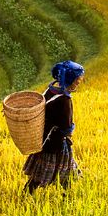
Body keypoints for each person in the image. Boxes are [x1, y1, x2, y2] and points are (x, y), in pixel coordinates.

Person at [24, 60, 85, 193]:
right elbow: (67, 126)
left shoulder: (50, 90)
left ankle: (65, 195)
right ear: (69, 80)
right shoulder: (65, 100)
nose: (78, 84)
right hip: (57, 142)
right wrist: (69, 133)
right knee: (62, 168)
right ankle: (65, 195)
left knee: (43, 169)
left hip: (43, 138)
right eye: (77, 81)